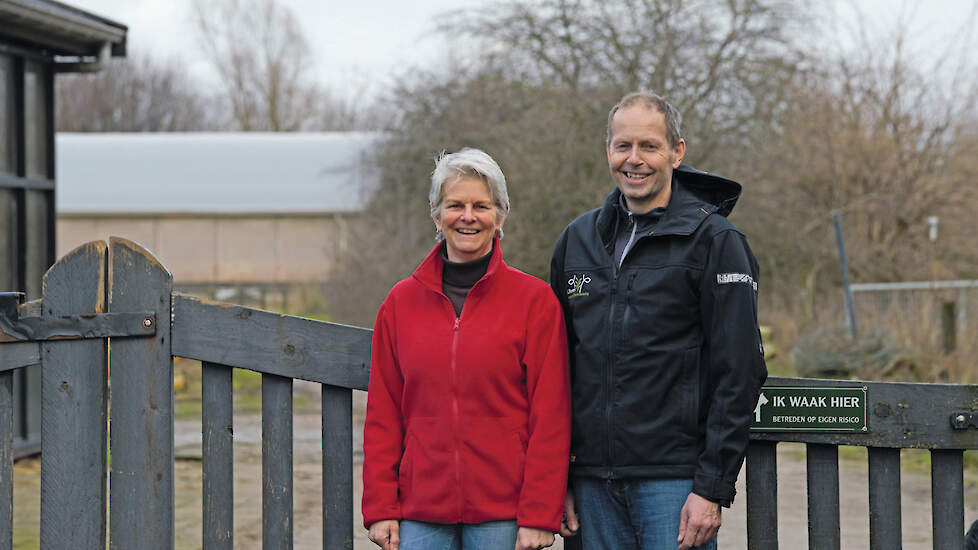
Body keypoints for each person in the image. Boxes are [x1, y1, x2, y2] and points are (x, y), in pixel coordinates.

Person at [550, 92, 768, 549]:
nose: (634, 160)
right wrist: (560, 475)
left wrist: (711, 487)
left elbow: (740, 370)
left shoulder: (715, 241)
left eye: (649, 146)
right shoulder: (577, 240)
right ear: (608, 151)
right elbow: (556, 369)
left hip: (673, 482)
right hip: (590, 482)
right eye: (622, 146)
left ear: (677, 151)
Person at [362, 148, 571, 550]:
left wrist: (540, 513)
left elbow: (551, 418)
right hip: (420, 514)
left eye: (481, 205)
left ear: (501, 215)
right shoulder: (400, 303)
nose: (468, 216)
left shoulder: (535, 302)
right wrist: (381, 506)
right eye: (455, 205)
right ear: (437, 216)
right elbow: (383, 415)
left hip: (506, 516)